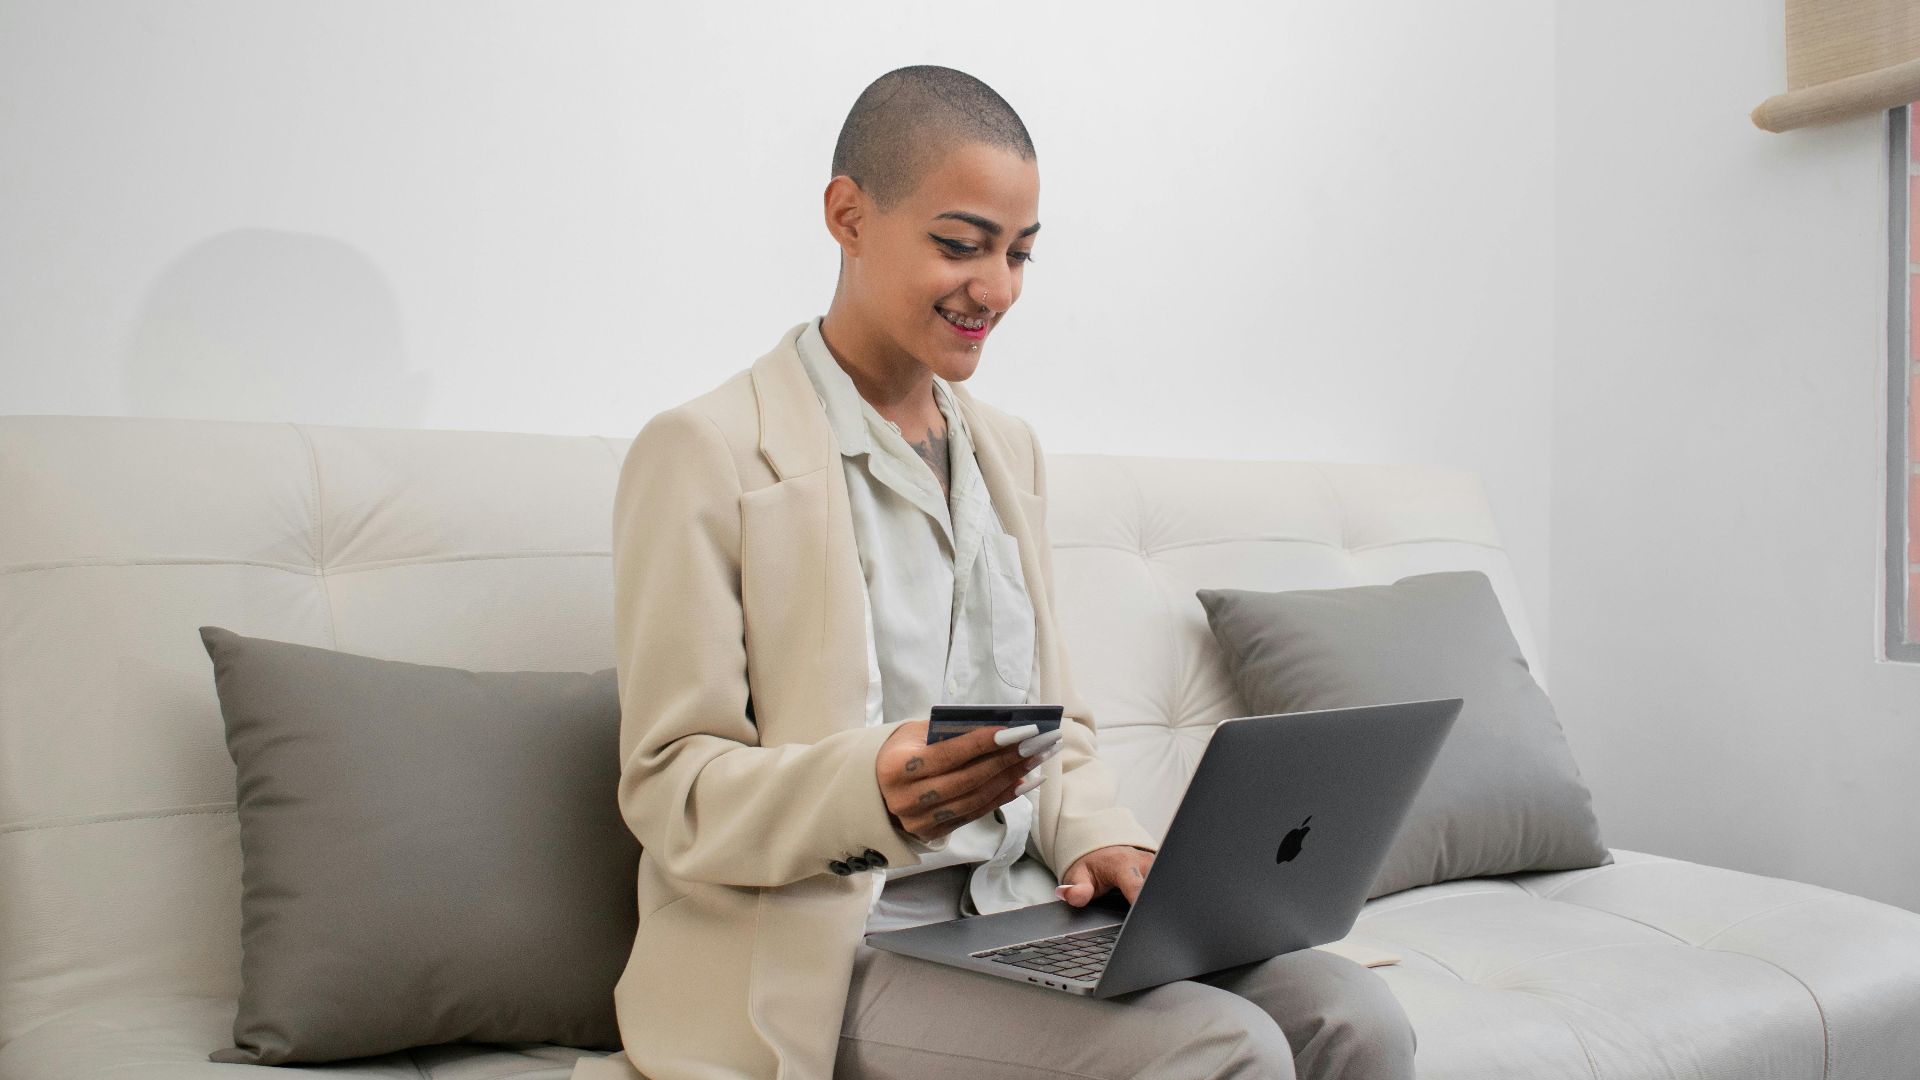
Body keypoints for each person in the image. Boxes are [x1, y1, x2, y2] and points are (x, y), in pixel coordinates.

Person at [570, 65, 1417, 1080]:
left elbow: (1055, 739)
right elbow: (671, 791)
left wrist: (1103, 843)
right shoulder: (704, 452)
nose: (998, 288)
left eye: (1019, 253)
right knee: (1217, 1048)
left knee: (1350, 1013)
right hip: (839, 954)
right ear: (848, 215)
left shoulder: (1005, 453)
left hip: (1014, 919)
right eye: (961, 245)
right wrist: (870, 793)